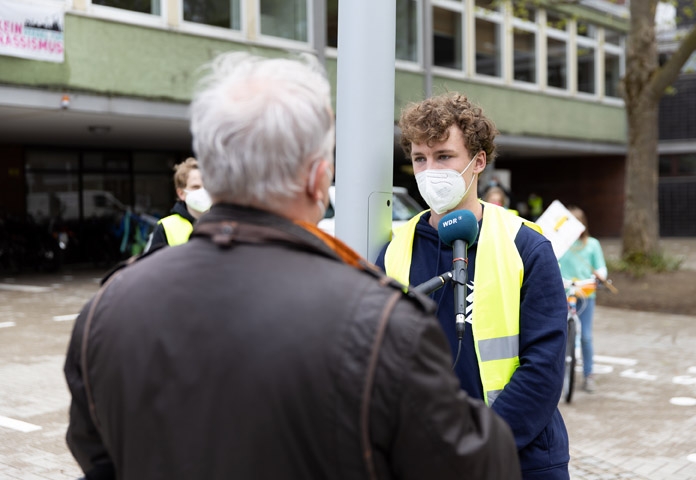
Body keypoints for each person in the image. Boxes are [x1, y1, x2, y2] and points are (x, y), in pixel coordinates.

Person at [64, 53, 521, 479]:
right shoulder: (379, 324)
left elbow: (96, 455)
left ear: (213, 170)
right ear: (318, 178)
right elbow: (478, 464)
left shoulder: (103, 314)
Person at [376, 93, 570, 479]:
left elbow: (544, 368)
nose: (430, 170)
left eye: (444, 156)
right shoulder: (394, 252)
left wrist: (475, 448)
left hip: (520, 459)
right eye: (420, 158)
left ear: (478, 161)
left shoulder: (526, 245)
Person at [558, 206, 608, 394]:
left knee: (586, 336)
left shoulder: (592, 244)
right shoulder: (560, 246)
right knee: (561, 335)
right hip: (564, 294)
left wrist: (600, 275)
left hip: (586, 295)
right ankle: (559, 374)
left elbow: (601, 268)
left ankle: (589, 375)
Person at [144, 157, 204, 251]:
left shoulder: (226, 223)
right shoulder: (165, 228)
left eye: (207, 186)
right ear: (181, 193)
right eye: (196, 187)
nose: (203, 191)